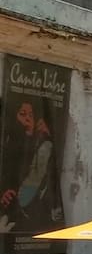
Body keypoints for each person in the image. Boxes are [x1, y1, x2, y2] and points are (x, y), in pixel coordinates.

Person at [0, 100, 64, 234]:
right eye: (22, 114)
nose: (28, 119)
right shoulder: (9, 146)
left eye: (31, 115)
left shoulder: (42, 145)